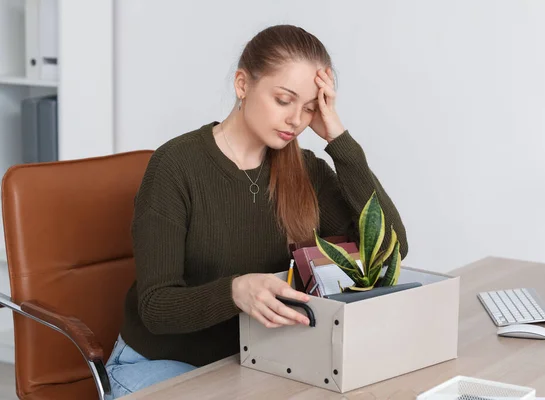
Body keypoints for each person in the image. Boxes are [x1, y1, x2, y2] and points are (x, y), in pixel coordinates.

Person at [105, 24, 408, 398]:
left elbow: (390, 250)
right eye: (284, 100)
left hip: (256, 363)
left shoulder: (305, 171)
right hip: (160, 363)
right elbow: (155, 307)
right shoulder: (176, 167)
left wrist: (338, 139)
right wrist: (235, 291)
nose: (296, 120)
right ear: (243, 85)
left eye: (310, 108)